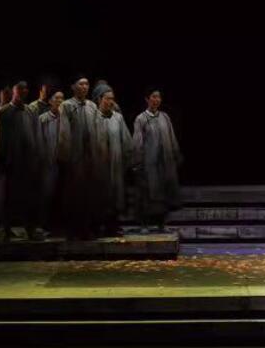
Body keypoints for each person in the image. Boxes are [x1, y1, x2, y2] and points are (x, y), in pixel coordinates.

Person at [0, 81, 46, 241]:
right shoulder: (3, 112)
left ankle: (30, 229)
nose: (23, 91)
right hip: (9, 162)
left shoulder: (30, 111)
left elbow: (37, 135)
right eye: (19, 89)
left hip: (28, 162)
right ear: (13, 91)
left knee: (29, 197)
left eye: (25, 89)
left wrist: (38, 158)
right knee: (6, 197)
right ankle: (4, 229)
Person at [132, 89, 184, 233]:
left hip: (165, 163)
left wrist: (175, 154)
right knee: (147, 194)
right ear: (147, 99)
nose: (156, 100)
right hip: (149, 163)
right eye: (153, 97)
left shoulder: (165, 117)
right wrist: (137, 162)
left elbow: (172, 137)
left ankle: (161, 224)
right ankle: (144, 224)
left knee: (163, 194)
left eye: (158, 97)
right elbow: (137, 142)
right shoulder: (141, 119)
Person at [59, 75, 99, 239]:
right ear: (73, 87)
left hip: (90, 157)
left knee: (88, 194)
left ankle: (86, 229)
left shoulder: (92, 106)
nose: (84, 87)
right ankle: (72, 230)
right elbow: (64, 132)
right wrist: (66, 156)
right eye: (81, 84)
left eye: (87, 84)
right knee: (73, 194)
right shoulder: (67, 106)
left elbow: (97, 129)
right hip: (74, 157)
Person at [91, 83, 133, 237]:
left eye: (112, 99)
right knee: (97, 195)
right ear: (99, 99)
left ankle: (112, 226)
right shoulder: (92, 118)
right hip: (97, 167)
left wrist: (127, 163)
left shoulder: (118, 118)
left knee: (115, 196)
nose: (111, 102)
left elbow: (127, 143)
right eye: (107, 99)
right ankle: (96, 226)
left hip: (115, 166)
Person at [38, 89, 68, 232]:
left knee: (62, 194)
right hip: (48, 163)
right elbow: (39, 141)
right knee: (48, 193)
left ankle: (60, 225)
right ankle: (46, 225)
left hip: (64, 163)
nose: (60, 101)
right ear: (50, 101)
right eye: (56, 98)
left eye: (62, 98)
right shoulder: (43, 119)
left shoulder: (66, 119)